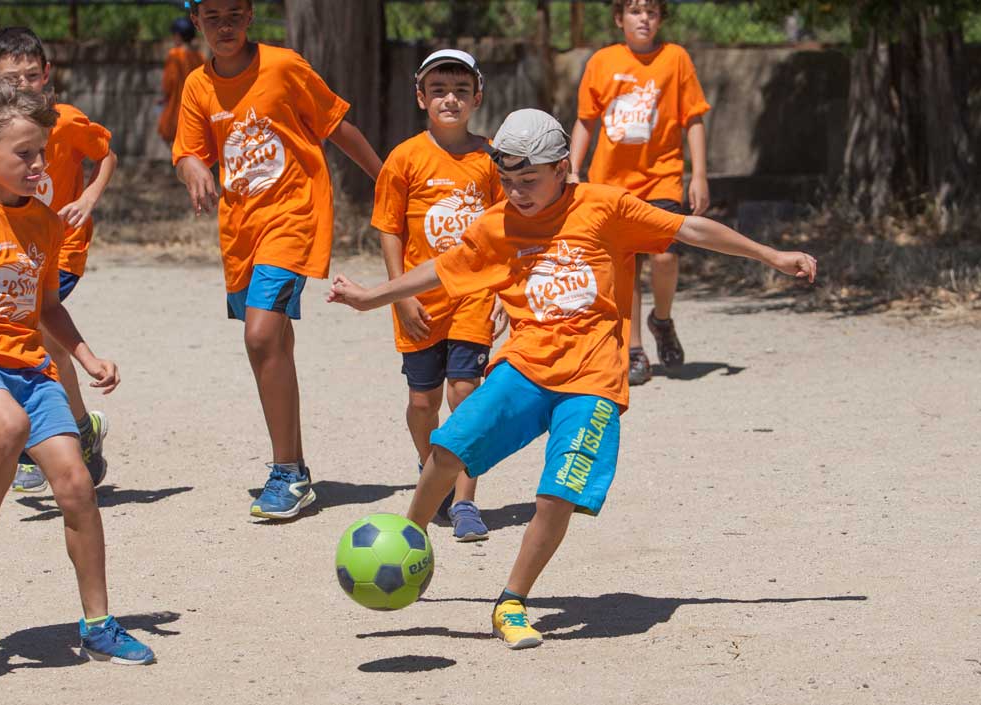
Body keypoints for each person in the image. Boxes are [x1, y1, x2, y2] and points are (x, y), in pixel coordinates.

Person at [328, 109, 817, 650]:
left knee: (556, 495)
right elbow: (444, 269)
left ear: (562, 168)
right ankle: (410, 540)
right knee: (447, 449)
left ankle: (511, 601)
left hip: (593, 381)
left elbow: (688, 228)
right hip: (525, 367)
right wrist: (373, 296)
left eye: (529, 180)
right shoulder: (498, 224)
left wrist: (771, 255)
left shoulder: (604, 208)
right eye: (508, 181)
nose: (516, 192)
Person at [0, 78, 154, 664]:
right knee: (9, 427)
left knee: (76, 484)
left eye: (41, 152)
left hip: (30, 364)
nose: (38, 163)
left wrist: (88, 356)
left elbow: (46, 307)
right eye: (24, 153)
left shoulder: (45, 224)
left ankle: (98, 624)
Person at [174, 0, 382, 520]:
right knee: (276, 343)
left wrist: (388, 182)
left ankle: (286, 470)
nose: (225, 26)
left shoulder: (284, 66)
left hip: (293, 217)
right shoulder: (198, 85)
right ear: (195, 20)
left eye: (236, 14)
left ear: (250, 17)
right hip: (240, 232)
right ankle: (298, 471)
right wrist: (194, 168)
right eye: (213, 15)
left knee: (262, 335)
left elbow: (338, 126)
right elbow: (187, 150)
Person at [0, 27, 118, 493]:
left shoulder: (67, 120)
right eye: (12, 78)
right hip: (4, 252)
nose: (23, 87)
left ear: (47, 75)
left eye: (33, 76)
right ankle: (75, 428)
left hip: (58, 248)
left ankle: (54, 434)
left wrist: (91, 197)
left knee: (39, 326)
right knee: (41, 340)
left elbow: (106, 155)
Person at [372, 49, 507, 541]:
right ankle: (438, 480)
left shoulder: (491, 157)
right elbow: (389, 230)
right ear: (420, 97)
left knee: (465, 394)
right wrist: (397, 297)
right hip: (419, 301)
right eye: (438, 90)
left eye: (460, 90)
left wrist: (503, 295)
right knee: (423, 401)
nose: (450, 99)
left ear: (477, 97)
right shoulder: (404, 158)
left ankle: (466, 502)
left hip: (474, 294)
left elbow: (507, 231)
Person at [570, 0, 710, 385]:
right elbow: (585, 120)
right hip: (611, 184)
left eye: (650, 12)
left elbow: (693, 118)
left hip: (662, 177)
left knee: (665, 257)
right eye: (634, 11)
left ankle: (661, 320)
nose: (643, 19)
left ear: (661, 18)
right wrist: (572, 169)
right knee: (625, 267)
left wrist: (699, 174)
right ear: (619, 19)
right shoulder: (601, 61)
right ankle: (633, 351)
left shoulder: (675, 59)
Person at [156, 17, 206, 146]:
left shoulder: (175, 55)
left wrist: (164, 98)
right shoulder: (199, 56)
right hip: (197, 111)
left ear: (178, 36)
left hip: (177, 108)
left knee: (176, 146)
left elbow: (168, 83)